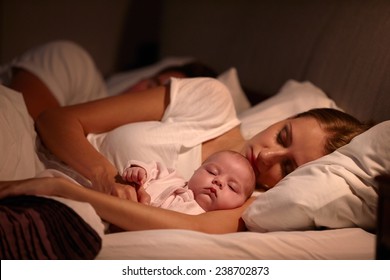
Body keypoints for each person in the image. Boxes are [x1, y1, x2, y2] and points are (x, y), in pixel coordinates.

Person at [0, 40, 372, 234]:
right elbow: (56, 120)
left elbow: (191, 228)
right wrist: (102, 176)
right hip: (21, 135)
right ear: (284, 118)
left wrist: (65, 191)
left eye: (288, 166)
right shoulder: (209, 99)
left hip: (42, 190)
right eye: (283, 134)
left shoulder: (246, 204)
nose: (268, 155)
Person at [122, 150, 255, 214]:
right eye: (212, 172)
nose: (218, 181)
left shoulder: (203, 219)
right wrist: (140, 170)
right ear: (196, 170)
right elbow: (154, 168)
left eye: (232, 187)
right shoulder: (172, 177)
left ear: (241, 205)